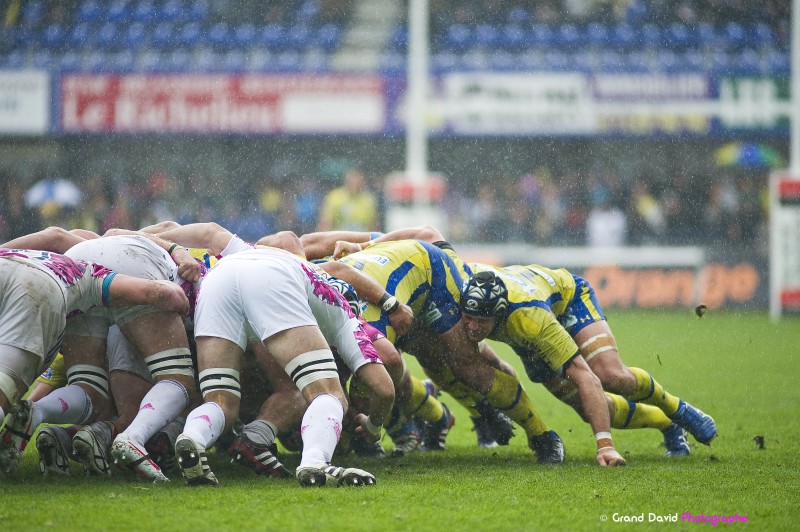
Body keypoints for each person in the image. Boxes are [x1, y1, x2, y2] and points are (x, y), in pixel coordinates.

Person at [311, 233, 567, 464]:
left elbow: (387, 375)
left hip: (431, 275)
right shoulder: (303, 285)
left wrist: (372, 425)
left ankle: (542, 435)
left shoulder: (361, 321)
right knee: (429, 361)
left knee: (466, 366)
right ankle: (441, 418)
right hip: (397, 290)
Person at [175, 246, 384, 487]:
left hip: (217, 278)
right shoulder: (346, 313)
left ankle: (193, 437)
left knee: (221, 400)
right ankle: (316, 461)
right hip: (270, 277)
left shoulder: (304, 268)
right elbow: (384, 388)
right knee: (328, 393)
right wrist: (374, 426)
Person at [462, 263, 717, 454]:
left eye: (481, 321)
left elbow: (584, 375)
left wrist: (605, 446)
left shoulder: (530, 318)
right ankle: (667, 424)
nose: (472, 327)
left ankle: (676, 408)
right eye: (468, 319)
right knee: (592, 409)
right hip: (526, 330)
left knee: (609, 376)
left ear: (498, 313)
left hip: (568, 303)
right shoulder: (459, 290)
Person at [0, 247, 189, 475]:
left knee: (91, 384)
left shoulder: (58, 251)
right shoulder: (89, 270)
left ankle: (42, 413)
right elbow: (153, 293)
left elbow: (56, 234)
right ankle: (129, 438)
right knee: (171, 381)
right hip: (46, 287)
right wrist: (177, 295)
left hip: (12, 265)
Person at [316, 167, 378, 232]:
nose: (354, 184)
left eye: (357, 181)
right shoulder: (335, 197)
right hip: (338, 240)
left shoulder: (368, 199)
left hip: (361, 240)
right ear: (346, 181)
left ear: (362, 182)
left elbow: (373, 225)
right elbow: (325, 223)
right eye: (351, 181)